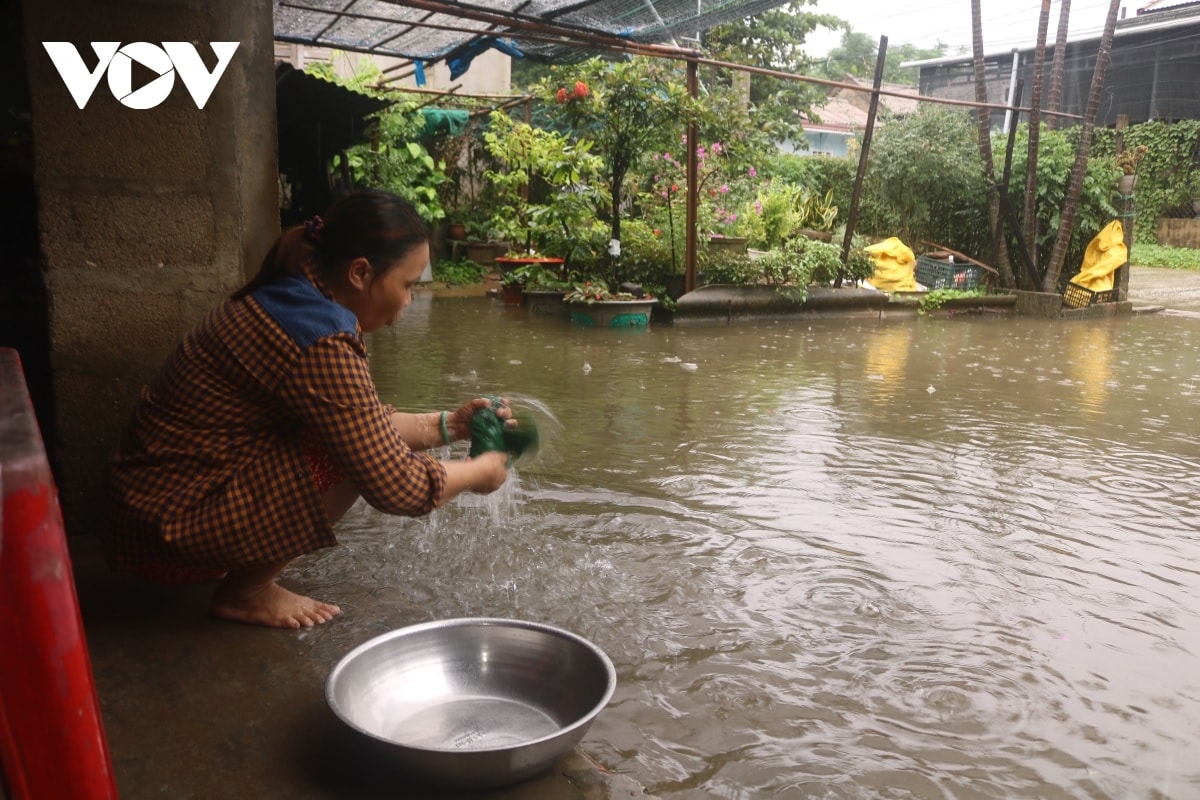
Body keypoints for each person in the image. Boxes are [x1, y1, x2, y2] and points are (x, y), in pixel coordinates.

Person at [105, 190, 511, 629]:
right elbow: (396, 485)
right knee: (350, 458)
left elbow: (362, 423)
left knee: (352, 443)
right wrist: (481, 471)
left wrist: (450, 424)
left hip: (150, 514)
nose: (410, 301)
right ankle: (246, 592)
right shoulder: (321, 338)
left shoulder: (297, 295)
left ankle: (235, 564)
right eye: (409, 285)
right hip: (166, 536)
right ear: (360, 273)